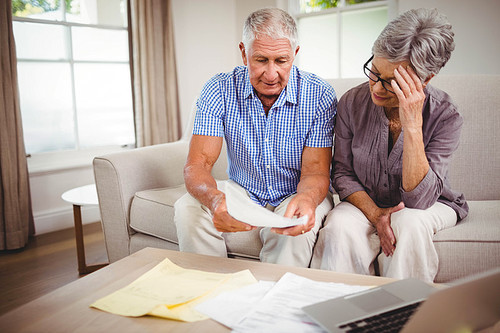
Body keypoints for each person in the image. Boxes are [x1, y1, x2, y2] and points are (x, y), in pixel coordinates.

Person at [310, 8, 468, 282]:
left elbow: (419, 200)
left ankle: (406, 317)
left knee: (408, 223)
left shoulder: (446, 115)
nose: (377, 88)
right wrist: (375, 214)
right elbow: (343, 174)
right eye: (374, 71)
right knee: (339, 227)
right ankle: (338, 312)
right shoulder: (351, 102)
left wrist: (412, 124)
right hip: (366, 201)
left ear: (425, 80)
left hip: (430, 204)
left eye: (393, 82)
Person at [174, 8, 337, 267]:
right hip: (243, 191)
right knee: (187, 208)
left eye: (281, 61)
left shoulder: (319, 95)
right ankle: (210, 291)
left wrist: (305, 200)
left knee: (295, 232)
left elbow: (316, 172)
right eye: (260, 60)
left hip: (295, 192)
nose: (271, 75)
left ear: (294, 54)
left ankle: (273, 302)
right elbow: (198, 165)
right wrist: (215, 199)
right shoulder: (218, 89)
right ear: (243, 52)